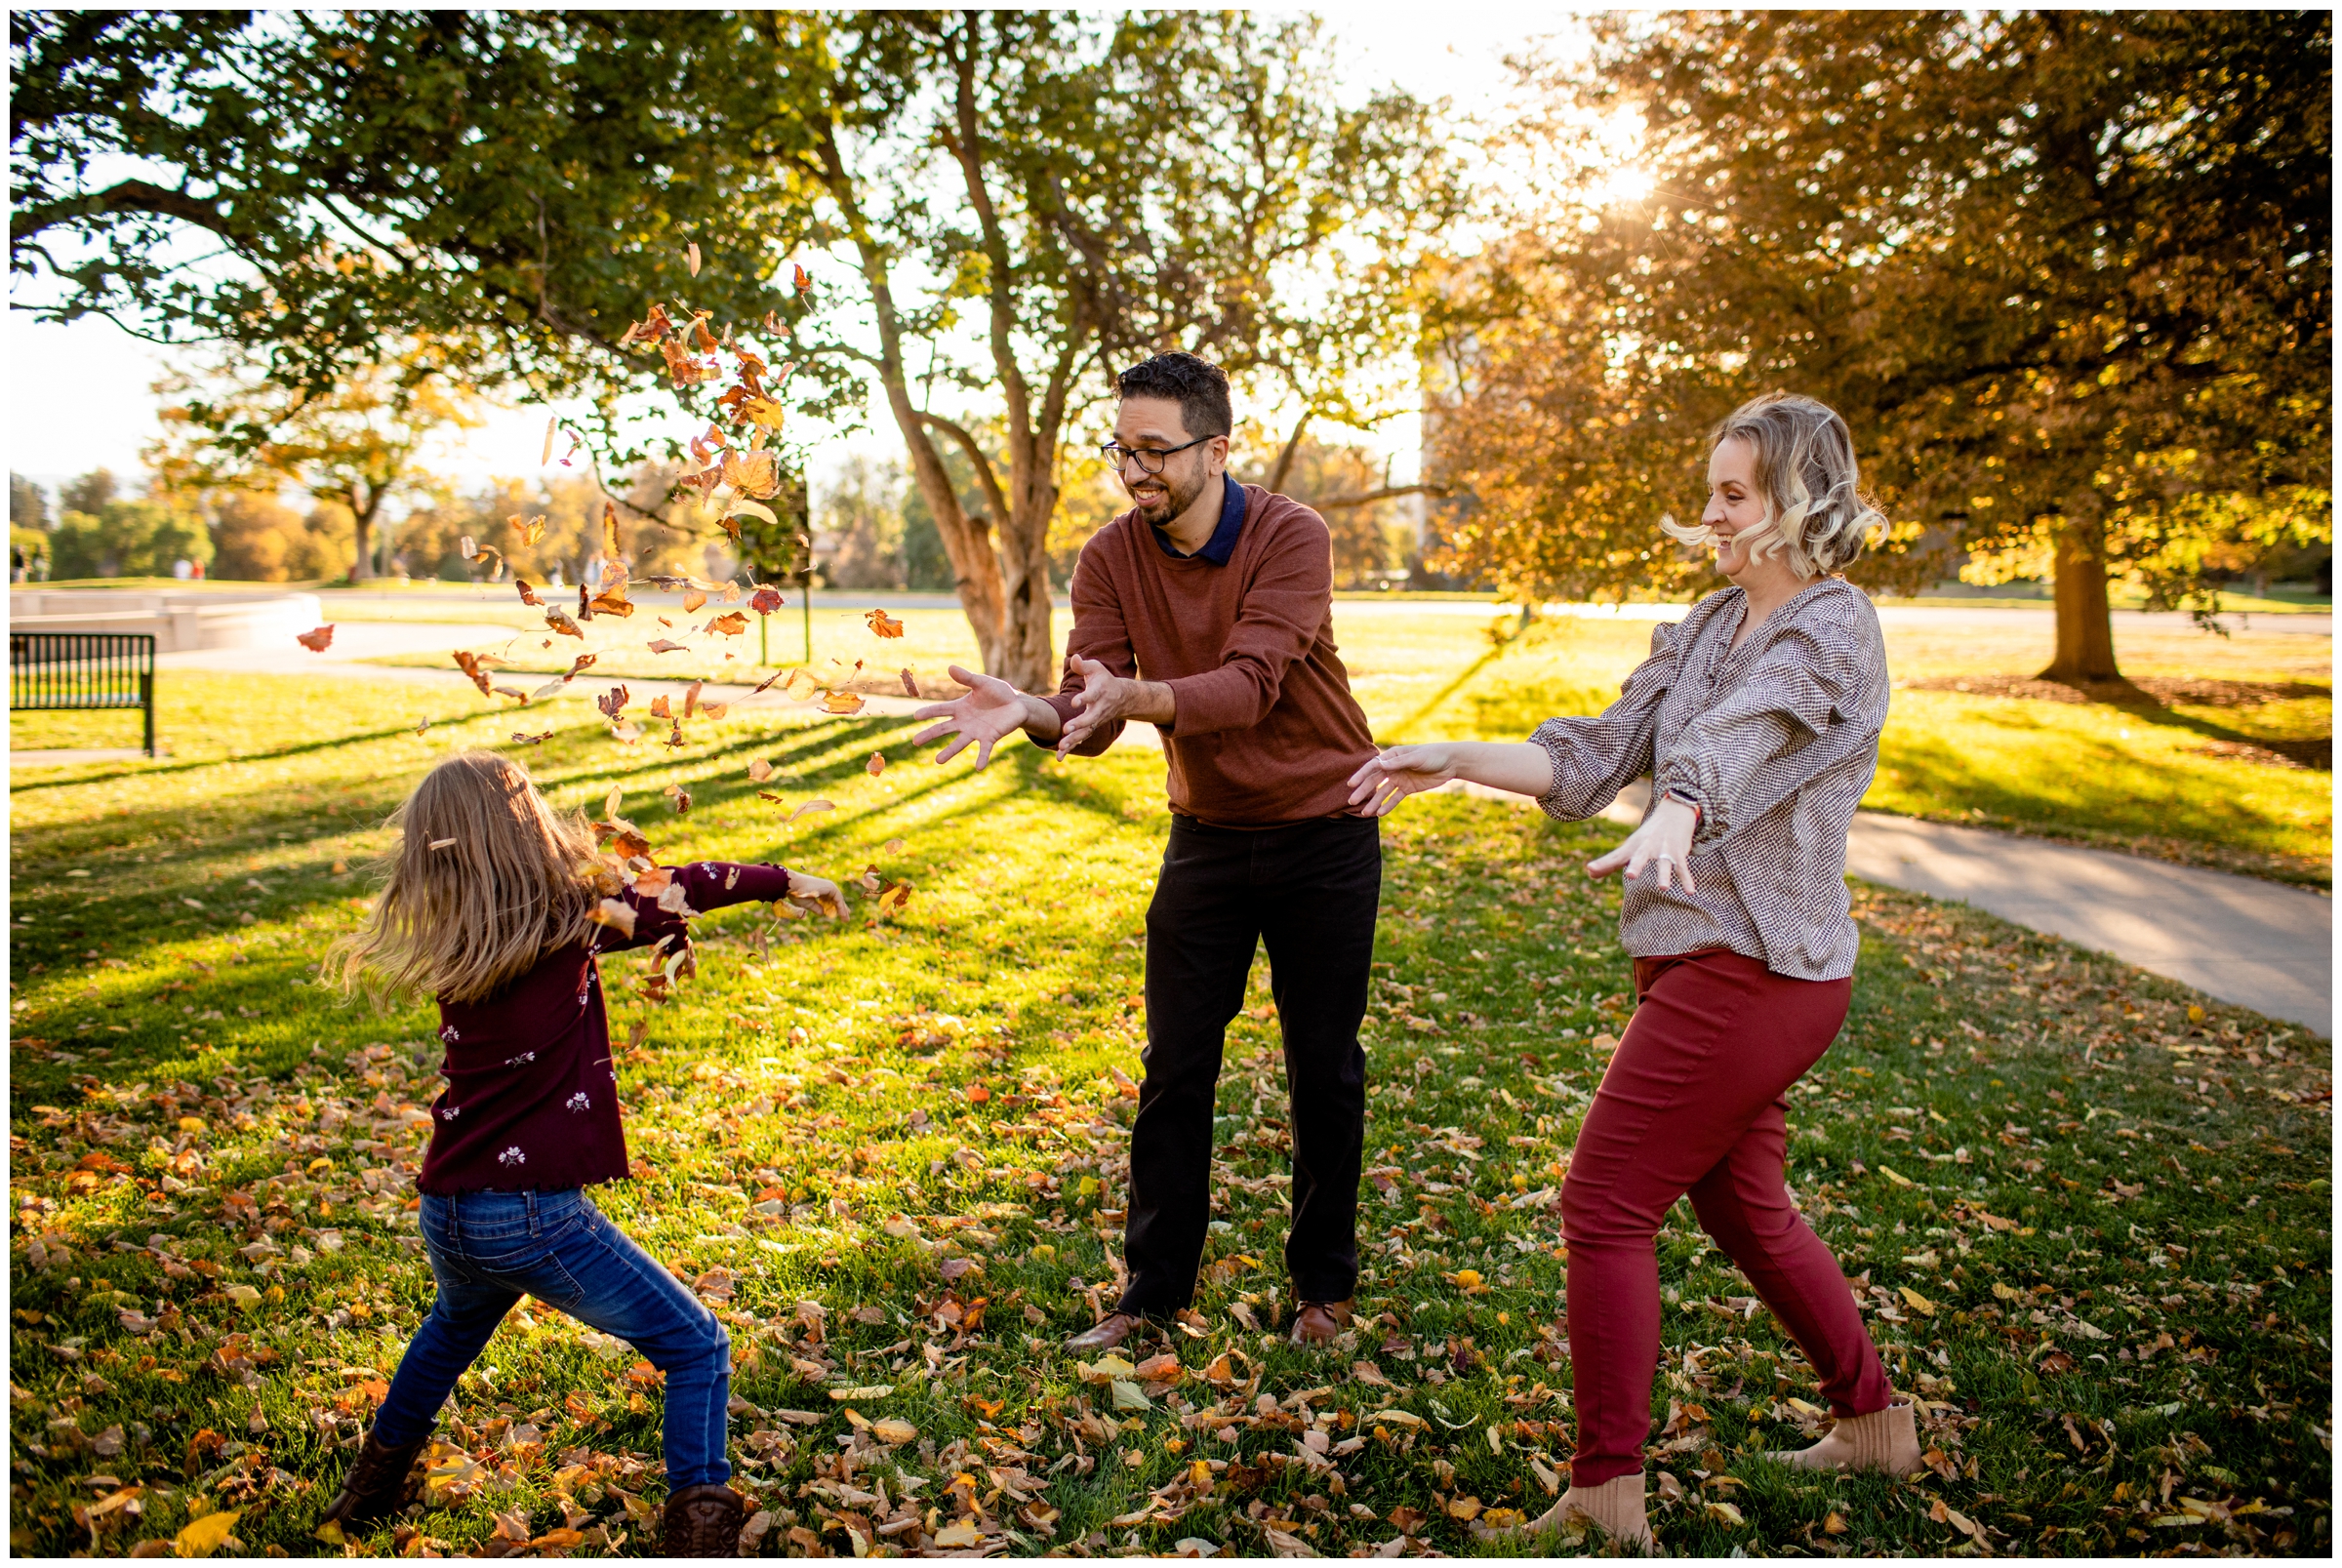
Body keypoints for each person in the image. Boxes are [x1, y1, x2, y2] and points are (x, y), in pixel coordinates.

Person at [1349, 393, 1914, 1548]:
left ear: (1798, 500)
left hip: (1758, 967)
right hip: (1696, 959)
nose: (1709, 512)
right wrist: (1454, 756)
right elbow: (1597, 750)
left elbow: (1748, 732)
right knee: (1746, 1207)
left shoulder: (1834, 629)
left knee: (1603, 1202)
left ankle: (1606, 1492)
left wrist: (1687, 802)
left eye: (1733, 492)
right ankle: (1873, 1421)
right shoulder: (1709, 625)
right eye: (1712, 488)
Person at [911, 351, 1383, 1352]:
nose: (1136, 470)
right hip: (1206, 837)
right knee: (1175, 1065)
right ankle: (1152, 1296)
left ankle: (1324, 1291)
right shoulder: (1111, 555)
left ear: (1216, 449)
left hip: (1325, 829)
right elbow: (1096, 706)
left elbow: (1250, 686)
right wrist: (1036, 709)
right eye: (1122, 449)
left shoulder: (1293, 536)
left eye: (1156, 450)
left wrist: (1130, 697)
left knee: (1322, 1068)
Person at [319, 751, 844, 1555]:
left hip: (448, 1207)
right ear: (524, 828)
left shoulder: (467, 937)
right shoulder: (568, 918)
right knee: (696, 1344)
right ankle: (698, 1538)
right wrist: (786, 879)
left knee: (450, 1334)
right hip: (528, 1214)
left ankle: (364, 1497)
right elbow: (681, 889)